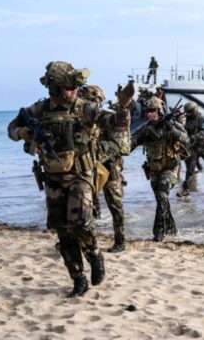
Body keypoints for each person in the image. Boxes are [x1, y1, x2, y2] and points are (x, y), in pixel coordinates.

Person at [7, 62, 104, 297]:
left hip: (81, 175)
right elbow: (11, 129)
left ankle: (94, 254)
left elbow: (111, 121)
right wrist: (25, 133)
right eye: (68, 87)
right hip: (53, 178)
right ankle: (78, 279)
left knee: (81, 222)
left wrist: (123, 110)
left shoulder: (84, 108)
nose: (73, 91)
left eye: (75, 87)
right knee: (63, 231)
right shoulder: (39, 110)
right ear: (55, 88)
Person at [79, 82, 134, 253]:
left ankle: (120, 240)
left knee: (115, 205)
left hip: (109, 168)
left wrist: (98, 149)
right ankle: (83, 240)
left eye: (92, 100)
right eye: (86, 100)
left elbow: (121, 146)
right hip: (88, 168)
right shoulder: (82, 120)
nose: (90, 104)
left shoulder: (108, 118)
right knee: (83, 206)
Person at [131, 96, 189, 241]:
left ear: (160, 110)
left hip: (171, 168)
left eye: (153, 111)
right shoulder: (145, 128)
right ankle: (172, 229)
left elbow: (187, 140)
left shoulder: (172, 124)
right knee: (162, 201)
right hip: (154, 170)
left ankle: (158, 233)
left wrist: (172, 130)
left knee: (163, 196)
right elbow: (130, 146)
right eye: (148, 111)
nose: (150, 114)